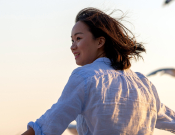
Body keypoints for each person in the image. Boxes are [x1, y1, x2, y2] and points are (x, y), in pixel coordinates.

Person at [21, 7, 175, 135]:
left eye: (78, 38)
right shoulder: (144, 84)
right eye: (72, 40)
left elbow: (47, 127)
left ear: (100, 41)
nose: (72, 46)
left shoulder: (85, 77)